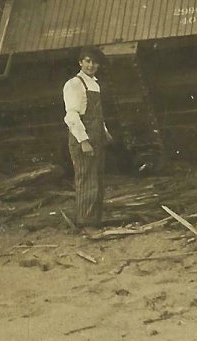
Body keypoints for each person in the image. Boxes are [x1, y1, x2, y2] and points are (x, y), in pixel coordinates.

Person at [63, 46, 112, 230]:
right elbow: (72, 116)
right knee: (86, 178)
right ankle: (85, 223)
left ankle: (94, 221)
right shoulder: (74, 84)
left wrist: (104, 131)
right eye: (87, 61)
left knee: (97, 177)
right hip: (82, 136)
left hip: (97, 135)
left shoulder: (95, 84)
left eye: (94, 62)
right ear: (80, 62)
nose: (91, 65)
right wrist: (83, 141)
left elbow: (97, 115)